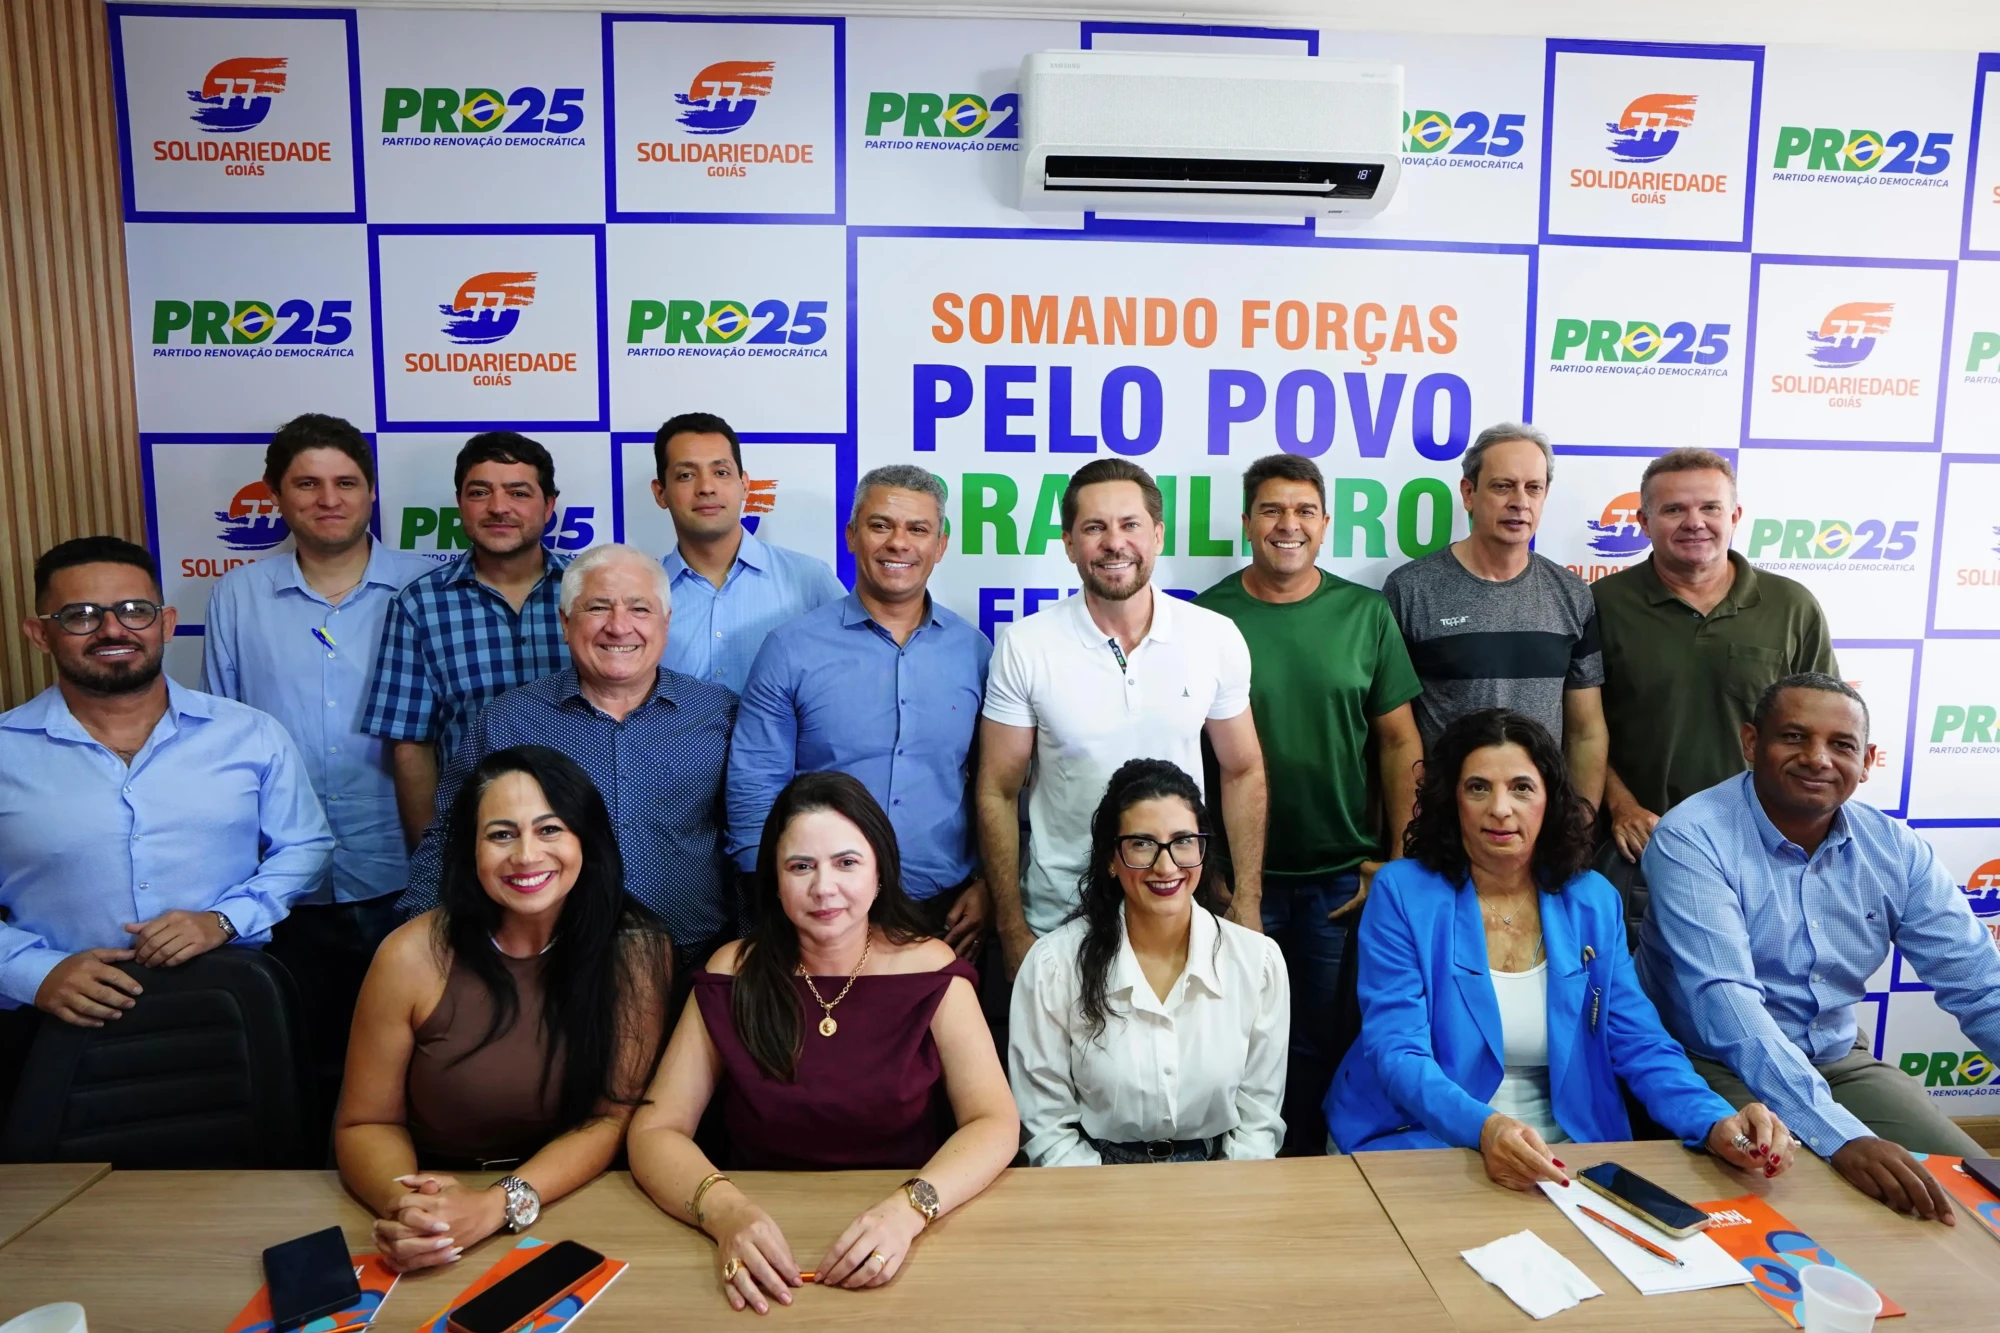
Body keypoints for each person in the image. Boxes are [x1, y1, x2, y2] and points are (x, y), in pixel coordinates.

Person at [1327, 708, 1794, 1194]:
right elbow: (1397, 1049)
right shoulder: (1404, 892)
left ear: (1550, 800)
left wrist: (1714, 1120)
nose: (1500, 809)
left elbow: (1640, 1042)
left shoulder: (1591, 900)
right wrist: (1485, 1129)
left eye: (1522, 788)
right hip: (1422, 1135)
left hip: (1569, 1149)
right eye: (1478, 787)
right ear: (1452, 801)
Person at [627, 772, 1016, 1315]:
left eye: (846, 862)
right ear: (774, 880)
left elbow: (994, 1121)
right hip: (761, 1236)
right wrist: (726, 1213)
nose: (824, 888)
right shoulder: (732, 973)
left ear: (879, 872)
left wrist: (911, 1209)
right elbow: (655, 1130)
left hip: (904, 1235)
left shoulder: (932, 969)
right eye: (801, 867)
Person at [1638, 674, 1998, 1224]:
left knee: (1966, 1190)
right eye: (1794, 737)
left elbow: (1980, 984)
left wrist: (1841, 1129)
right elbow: (1726, 1005)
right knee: (1804, 1210)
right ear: (1752, 742)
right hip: (1713, 1060)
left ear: (1867, 761)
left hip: (1835, 1058)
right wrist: (1842, 1137)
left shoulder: (1896, 849)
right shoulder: (1692, 837)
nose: (1817, 759)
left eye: (1841, 744)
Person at [0, 538, 332, 1110]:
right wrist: (32, 971)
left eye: (135, 610)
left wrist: (225, 919)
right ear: (39, 633)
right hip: (50, 1027)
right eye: (80, 615)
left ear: (166, 623)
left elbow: (307, 847)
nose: (113, 629)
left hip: (228, 1016)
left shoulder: (249, 734)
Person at [336, 746, 671, 1271]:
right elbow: (366, 1123)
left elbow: (610, 1119)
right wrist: (415, 1212)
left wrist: (497, 1205)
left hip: (572, 1200)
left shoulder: (637, 949)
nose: (526, 855)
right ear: (470, 849)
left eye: (550, 829)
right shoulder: (409, 955)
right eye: (501, 834)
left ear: (587, 839)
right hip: (436, 1193)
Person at [202, 412, 432, 1117]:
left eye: (346, 482)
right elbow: (221, 742)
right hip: (281, 883)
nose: (328, 499)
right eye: (307, 484)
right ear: (276, 494)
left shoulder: (426, 586)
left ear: (371, 492)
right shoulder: (237, 594)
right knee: (297, 1065)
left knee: (413, 1064)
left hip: (402, 874)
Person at [1197, 453, 1424, 1155]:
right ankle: (1236, 1181)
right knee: (1233, 1044)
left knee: (1323, 1046)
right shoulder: (1206, 617)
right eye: (1271, 510)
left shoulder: (1365, 613)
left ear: (1325, 524)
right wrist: (1208, 868)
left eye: (1303, 511)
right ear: (1247, 522)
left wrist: (1397, 860)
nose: (1287, 525)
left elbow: (1399, 743)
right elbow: (1186, 751)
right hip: (1235, 880)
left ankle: (1308, 1184)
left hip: (1340, 883)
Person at [979, 458, 1267, 978]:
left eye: (1130, 524)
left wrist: (1246, 900)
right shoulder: (1026, 645)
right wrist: (1012, 927)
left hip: (1178, 910)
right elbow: (997, 790)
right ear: (1069, 544)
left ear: (1157, 535)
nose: (1115, 543)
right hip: (1059, 919)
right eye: (1095, 528)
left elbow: (1243, 769)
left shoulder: (1214, 636)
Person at [398, 545, 735, 979]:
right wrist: (426, 949)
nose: (619, 626)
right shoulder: (508, 720)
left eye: (639, 608)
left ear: (665, 623)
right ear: (565, 622)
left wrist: (750, 951)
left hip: (698, 963)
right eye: (598, 607)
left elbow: (751, 838)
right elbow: (450, 836)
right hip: (551, 974)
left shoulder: (720, 713)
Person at [729, 465, 991, 957]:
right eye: (880, 525)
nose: (899, 543)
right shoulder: (791, 649)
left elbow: (991, 783)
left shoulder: (974, 651)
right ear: (852, 536)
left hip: (944, 911)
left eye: (918, 529)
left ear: (940, 545)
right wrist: (773, 903)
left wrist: (987, 881)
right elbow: (755, 787)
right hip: (819, 911)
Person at [1009, 759, 1288, 1165]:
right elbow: (1046, 1126)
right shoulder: (1053, 966)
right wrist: (1099, 1195)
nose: (1166, 866)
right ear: (1110, 858)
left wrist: (1230, 1190)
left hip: (1222, 1174)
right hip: (1093, 1174)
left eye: (1183, 841)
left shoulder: (1257, 962)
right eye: (1141, 844)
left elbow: (1258, 1121)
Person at [1594, 449, 1836, 871]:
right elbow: (1577, 729)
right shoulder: (1600, 605)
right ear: (1644, 522)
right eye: (1674, 509)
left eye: (1710, 507)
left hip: (1763, 845)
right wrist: (1622, 805)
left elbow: (1826, 728)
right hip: (1640, 844)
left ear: (1735, 516)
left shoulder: (1792, 606)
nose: (1694, 522)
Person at [1383, 423, 1607, 812]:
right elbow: (1395, 739)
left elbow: (1586, 733)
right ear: (1469, 493)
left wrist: (1579, 827)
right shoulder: (1410, 590)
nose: (1520, 502)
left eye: (1533, 488)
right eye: (1503, 486)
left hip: (1539, 825)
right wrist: (1409, 832)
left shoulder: (1572, 594)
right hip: (1443, 822)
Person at [362, 432, 571, 848]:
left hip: (584, 833)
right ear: (459, 503)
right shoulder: (419, 605)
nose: (498, 507)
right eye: (480, 492)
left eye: (518, 493)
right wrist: (433, 861)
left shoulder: (590, 592)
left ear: (548, 506)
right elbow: (411, 746)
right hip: (474, 841)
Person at [650, 412, 844, 693]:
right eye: (686, 475)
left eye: (721, 472)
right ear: (660, 493)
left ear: (744, 485)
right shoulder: (640, 592)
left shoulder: (809, 578)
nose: (706, 488)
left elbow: (853, 676)